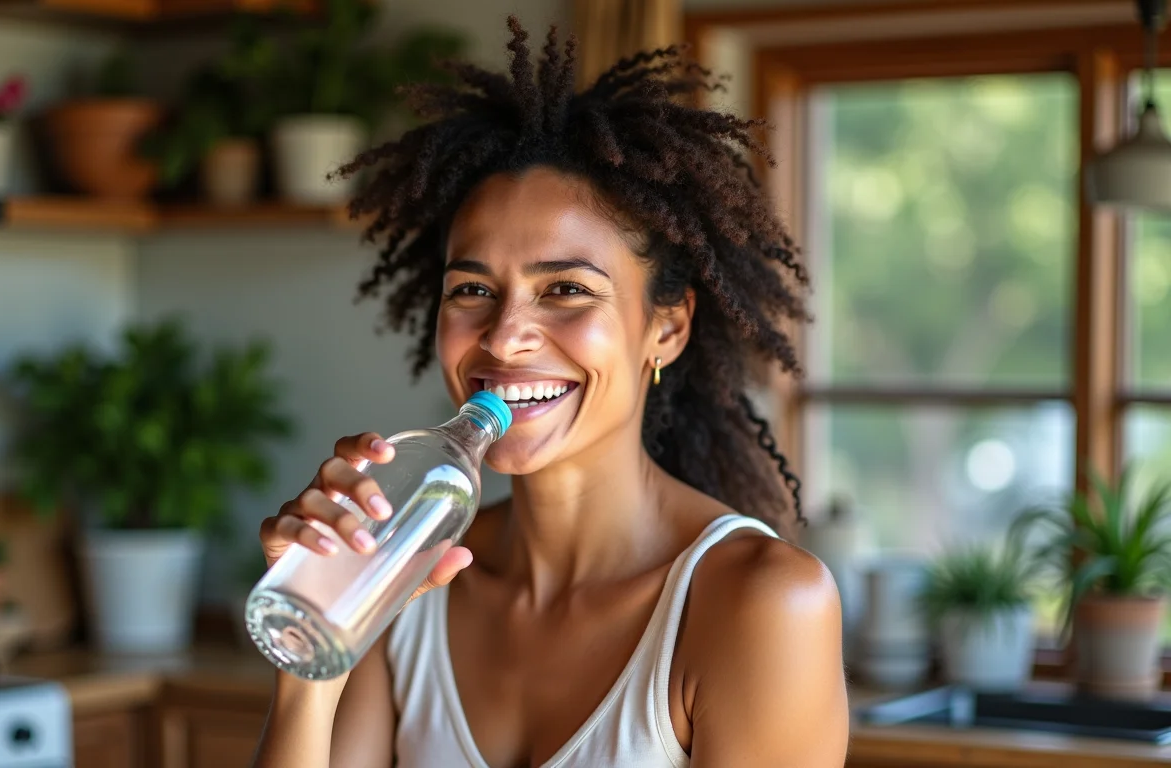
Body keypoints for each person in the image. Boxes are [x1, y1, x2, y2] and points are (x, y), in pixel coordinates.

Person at [253, 16, 849, 768]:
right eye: (472, 289)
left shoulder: (758, 605)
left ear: (665, 329)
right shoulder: (404, 578)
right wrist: (316, 635)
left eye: (566, 289)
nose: (504, 337)